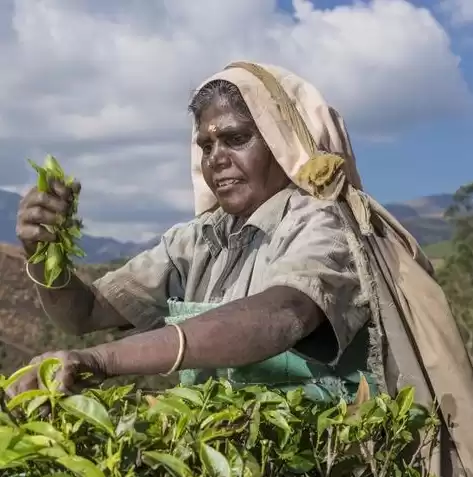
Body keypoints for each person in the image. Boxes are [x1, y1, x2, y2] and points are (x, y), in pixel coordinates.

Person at [14, 61, 473, 474]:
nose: (216, 158)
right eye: (206, 144)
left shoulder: (325, 222)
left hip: (324, 460)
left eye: (236, 139)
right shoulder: (197, 240)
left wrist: (103, 361)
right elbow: (84, 314)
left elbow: (282, 314)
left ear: (281, 143)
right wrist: (43, 252)